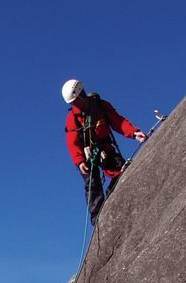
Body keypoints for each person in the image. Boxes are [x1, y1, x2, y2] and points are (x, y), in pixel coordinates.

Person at [62, 79, 146, 223]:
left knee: (121, 171)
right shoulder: (73, 119)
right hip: (86, 156)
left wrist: (133, 133)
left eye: (76, 101)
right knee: (92, 183)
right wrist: (79, 161)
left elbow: (118, 121)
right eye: (72, 103)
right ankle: (98, 218)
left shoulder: (100, 106)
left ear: (81, 94)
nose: (75, 105)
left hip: (105, 149)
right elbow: (72, 142)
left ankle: (112, 196)